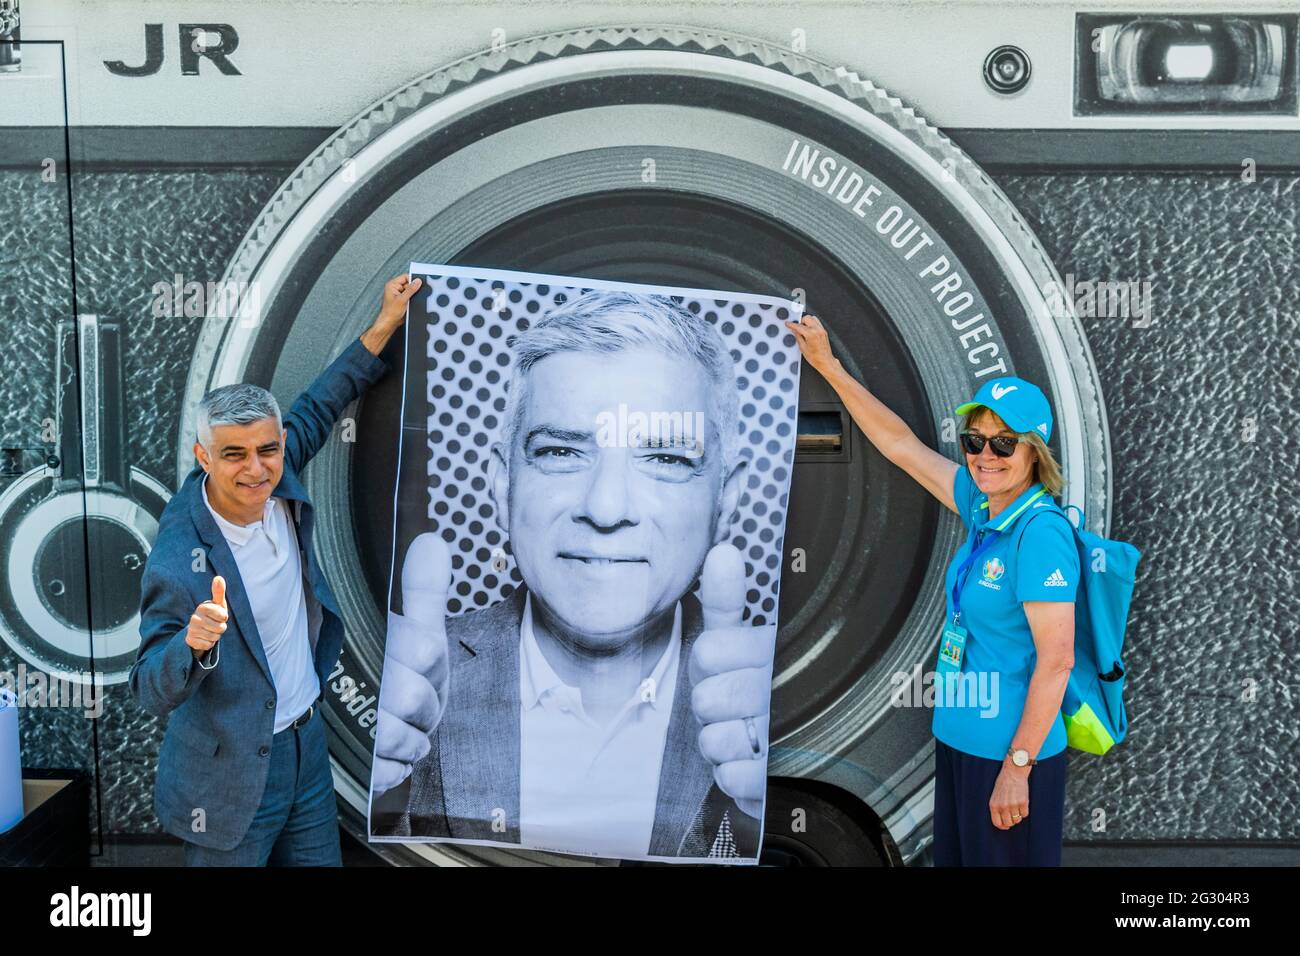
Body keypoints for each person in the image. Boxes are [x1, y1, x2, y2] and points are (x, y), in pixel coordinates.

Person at [370, 290, 776, 860]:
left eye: (664, 459)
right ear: (502, 482)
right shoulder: (402, 690)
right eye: (562, 452)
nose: (606, 508)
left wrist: (759, 814)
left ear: (726, 499)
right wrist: (378, 780)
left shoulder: (771, 702)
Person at [129, 274, 423, 866]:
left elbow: (321, 400)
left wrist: (386, 321)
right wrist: (192, 644)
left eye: (267, 449)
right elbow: (147, 687)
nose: (256, 470)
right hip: (231, 779)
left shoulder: (279, 473)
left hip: (306, 752)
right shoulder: (180, 554)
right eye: (234, 455)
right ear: (204, 458)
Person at [786, 314, 1078, 867]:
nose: (985, 455)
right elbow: (900, 444)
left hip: (1007, 760)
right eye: (975, 440)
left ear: (1034, 454)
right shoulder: (985, 506)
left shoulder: (1039, 533)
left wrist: (1018, 768)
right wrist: (828, 366)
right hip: (960, 742)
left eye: (1004, 444)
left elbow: (1057, 661)